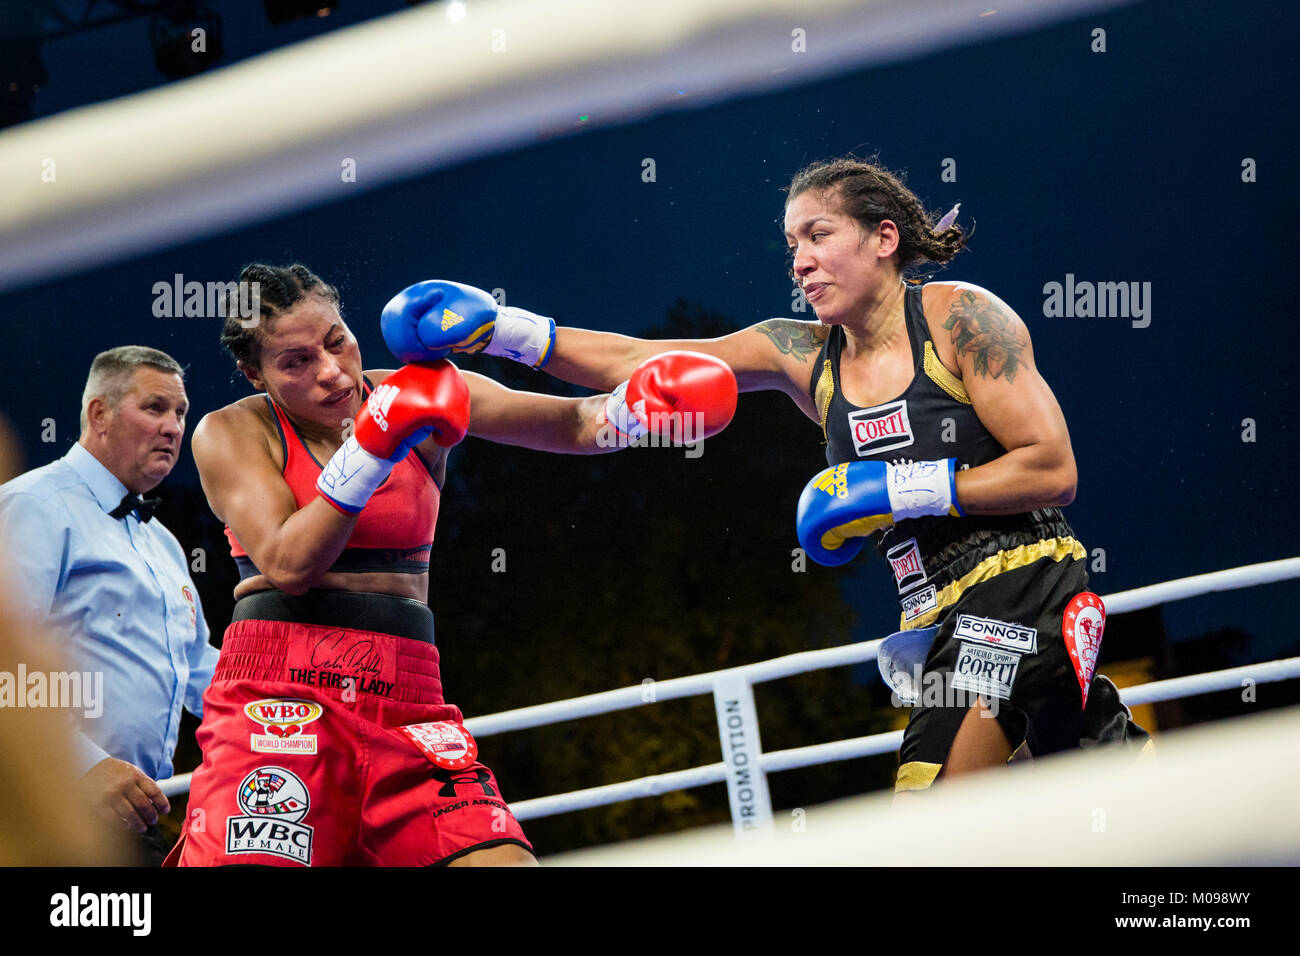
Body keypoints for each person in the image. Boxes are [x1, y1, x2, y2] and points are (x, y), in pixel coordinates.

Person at [383, 156, 1150, 797]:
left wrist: (897, 489)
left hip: (1020, 586)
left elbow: (1053, 467)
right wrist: (502, 331)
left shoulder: (960, 318)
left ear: (884, 237)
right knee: (1123, 799)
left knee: (935, 815)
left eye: (819, 235)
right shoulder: (802, 351)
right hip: (931, 610)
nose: (800, 260)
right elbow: (640, 363)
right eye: (791, 244)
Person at [168, 263, 736, 866]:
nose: (331, 372)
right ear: (255, 373)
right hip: (279, 691)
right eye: (296, 361)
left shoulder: (418, 389)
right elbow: (288, 562)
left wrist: (638, 412)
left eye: (336, 340)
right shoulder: (231, 430)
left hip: (407, 692)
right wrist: (373, 444)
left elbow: (572, 422)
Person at [0, 346, 218, 863]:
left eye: (181, 413)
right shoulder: (35, 505)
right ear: (99, 414)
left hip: (128, 818)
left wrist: (284, 723)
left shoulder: (162, 543)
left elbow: (202, 672)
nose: (172, 427)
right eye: (155, 407)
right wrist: (84, 765)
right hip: (45, 803)